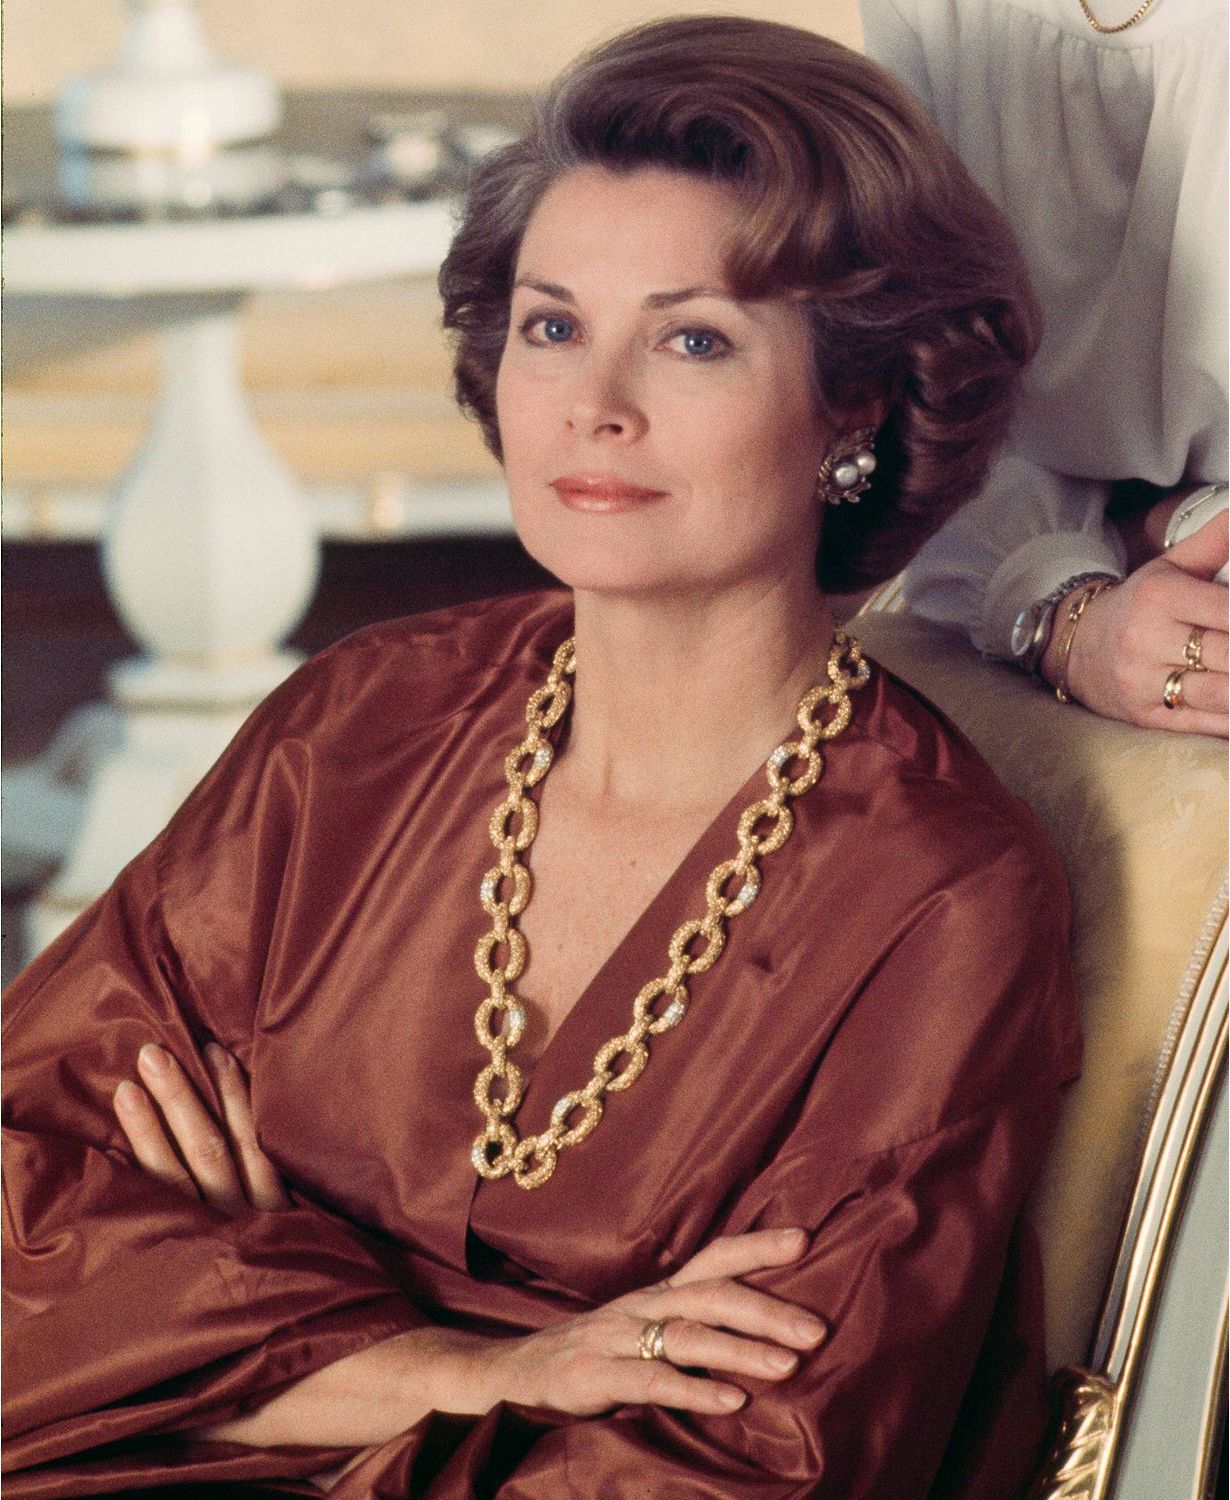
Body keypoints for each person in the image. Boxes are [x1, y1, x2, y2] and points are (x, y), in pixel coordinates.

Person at [2, 17, 1081, 1499]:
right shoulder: (360, 723)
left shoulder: (941, 899)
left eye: (693, 339)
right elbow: (26, 1177)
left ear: (859, 404)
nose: (594, 404)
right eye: (551, 326)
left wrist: (225, 1298)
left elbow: (753, 1455)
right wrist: (463, 1366)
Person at [861, 0, 1229, 737]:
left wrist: (1146, 531)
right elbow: (915, 398)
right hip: (1003, 571)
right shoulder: (938, 17)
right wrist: (1069, 617)